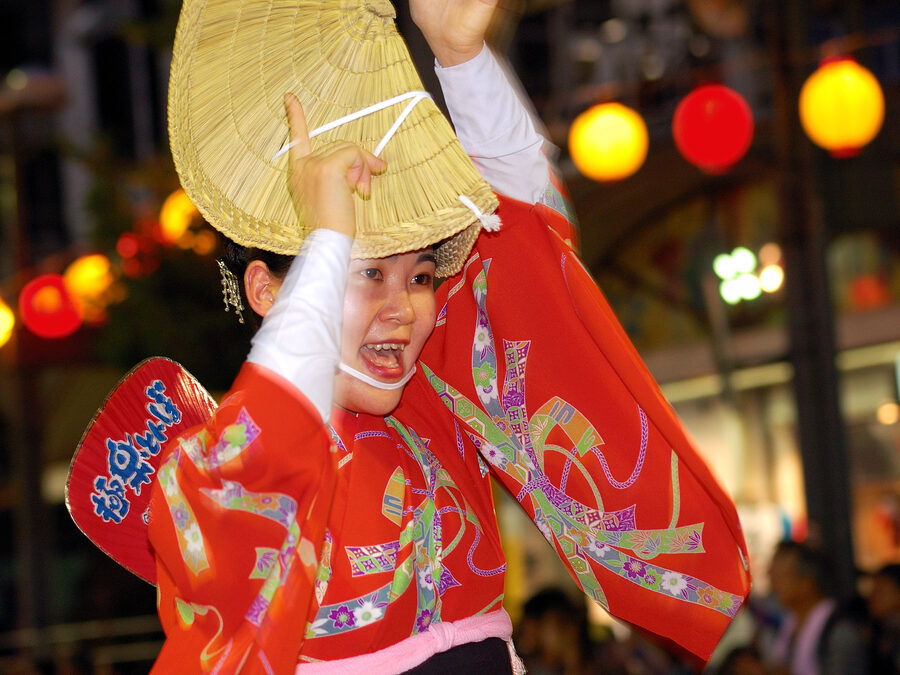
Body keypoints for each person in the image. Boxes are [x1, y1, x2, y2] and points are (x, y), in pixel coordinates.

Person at [107, 0, 752, 672]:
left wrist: (461, 58)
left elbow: (528, 238)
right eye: (368, 274)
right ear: (271, 291)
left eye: (420, 276)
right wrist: (330, 236)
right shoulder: (209, 473)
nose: (405, 308)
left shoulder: (434, 396)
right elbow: (266, 449)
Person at [764, 540, 872, 675]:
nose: (773, 587)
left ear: (807, 582)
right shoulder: (789, 624)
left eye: (781, 578)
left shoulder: (839, 632)